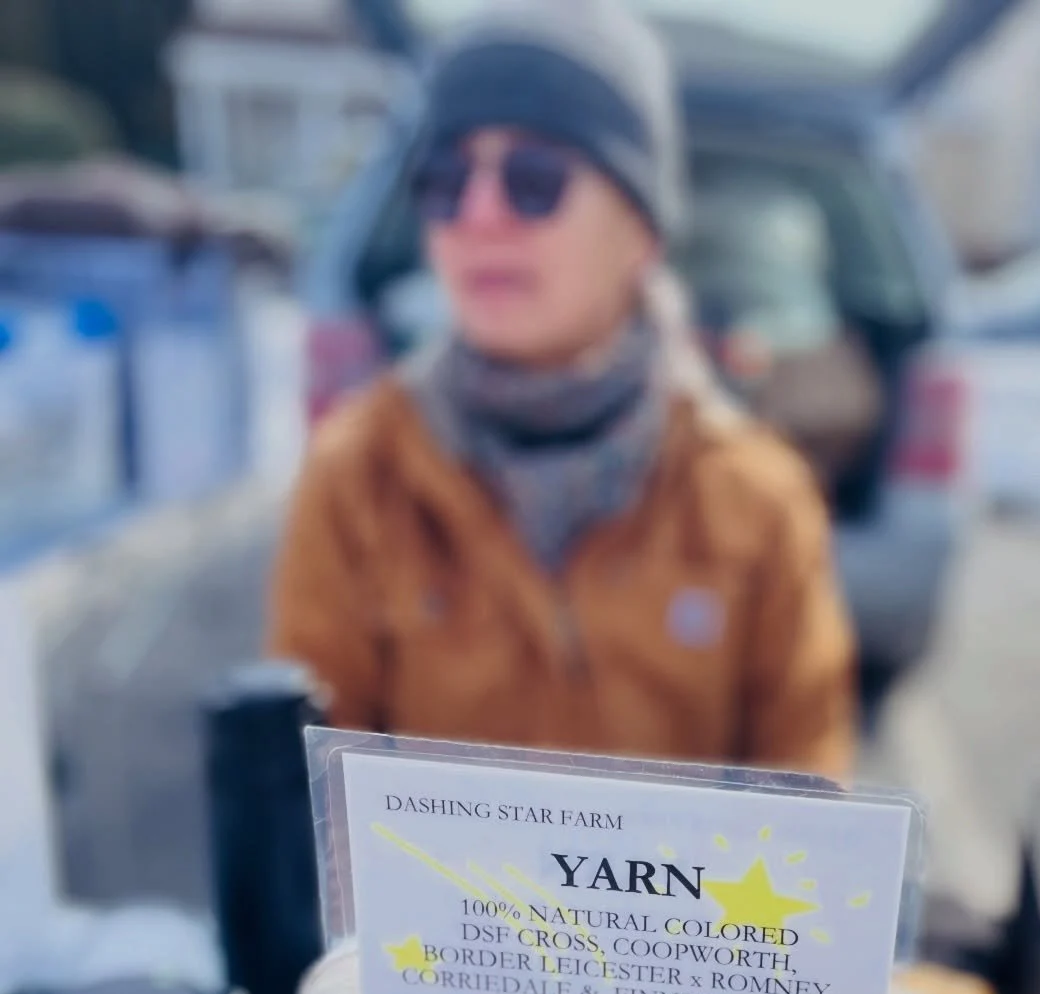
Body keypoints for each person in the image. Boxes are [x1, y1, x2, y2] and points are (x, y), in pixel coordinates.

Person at [267, 0, 858, 776]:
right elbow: (309, 787)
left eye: (534, 179)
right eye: (444, 181)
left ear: (641, 229)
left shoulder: (759, 500)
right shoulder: (357, 473)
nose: (478, 216)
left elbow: (809, 796)